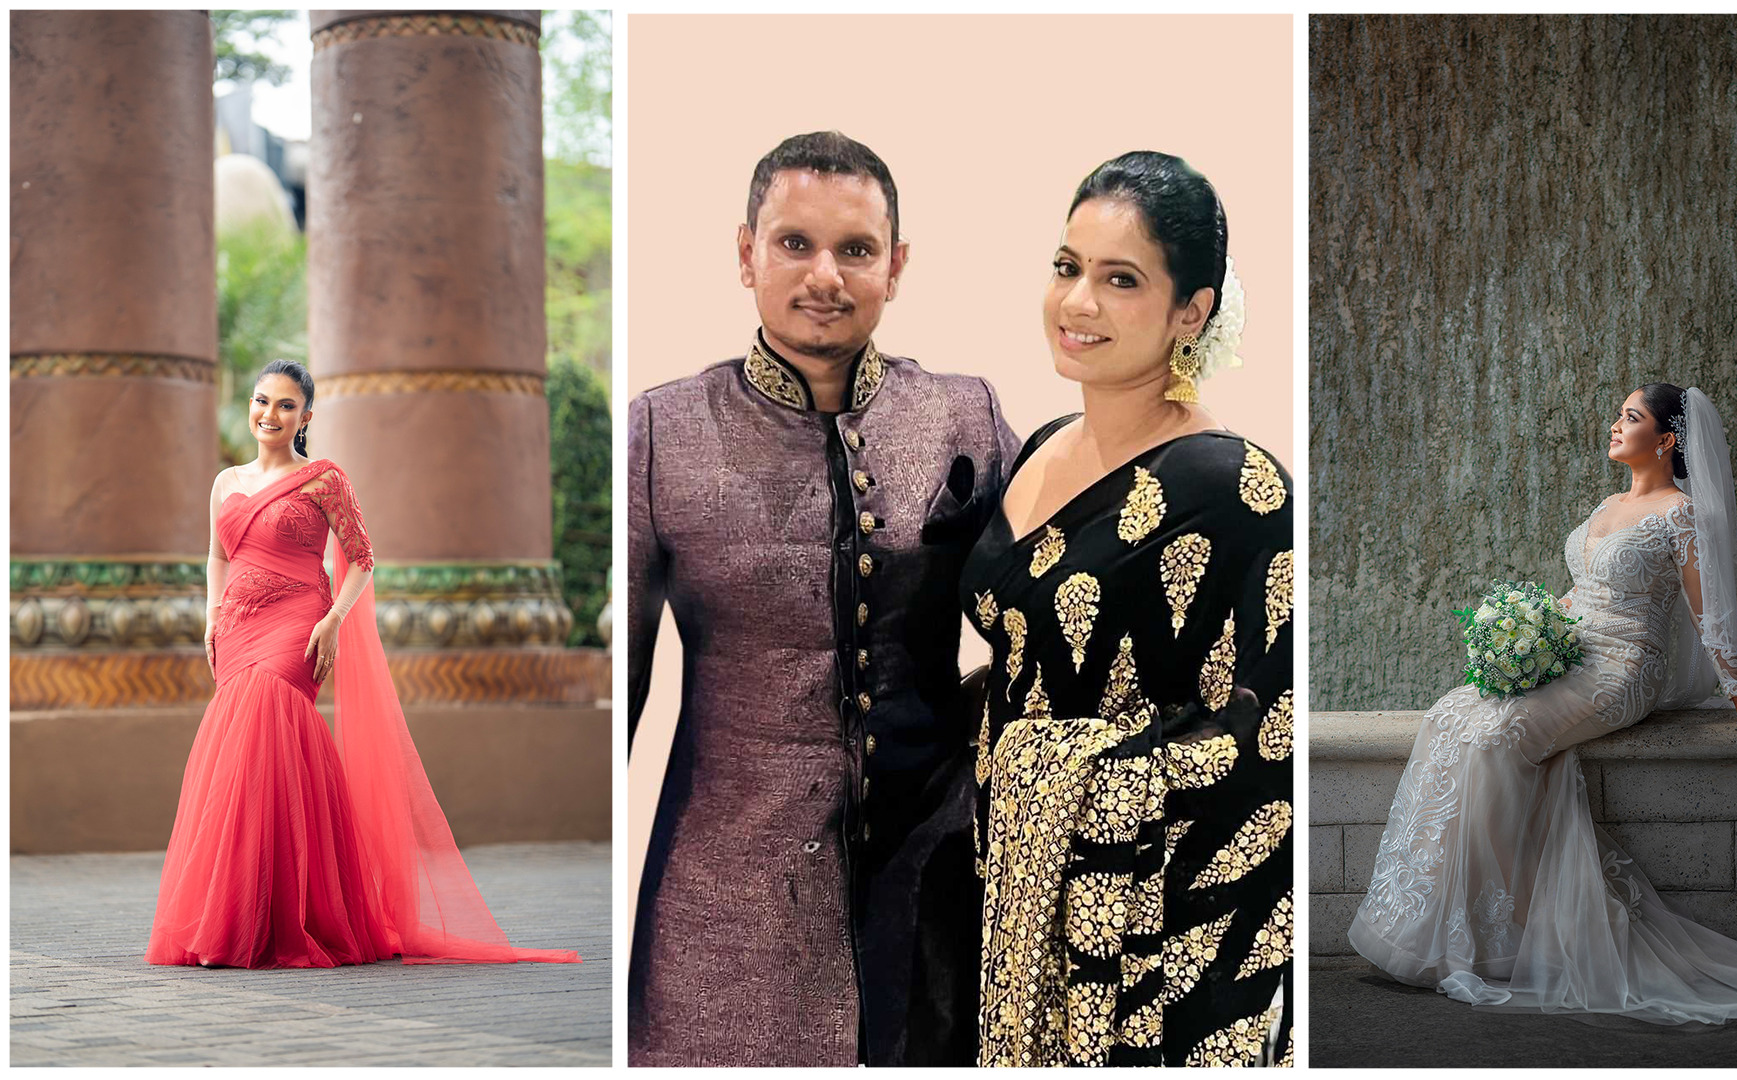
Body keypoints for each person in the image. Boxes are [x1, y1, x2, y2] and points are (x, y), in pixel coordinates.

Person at [628, 131, 1020, 1066]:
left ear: (897, 265)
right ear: (744, 254)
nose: (825, 276)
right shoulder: (661, 431)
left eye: (856, 250)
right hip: (724, 883)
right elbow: (627, 685)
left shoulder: (963, 412)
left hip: (935, 865)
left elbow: (1043, 613)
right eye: (794, 244)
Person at [1350, 383, 1737, 1022]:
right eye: (1618, 415)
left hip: (1621, 668)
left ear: (1667, 440)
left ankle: (1509, 927)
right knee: (1451, 714)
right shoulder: (1608, 503)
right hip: (1569, 651)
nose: (1615, 425)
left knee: (1498, 736)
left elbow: (1711, 611)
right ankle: (1433, 914)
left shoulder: (1682, 514)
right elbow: (1581, 591)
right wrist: (1523, 632)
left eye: (1631, 417)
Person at [962, 152, 1293, 1066]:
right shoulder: (1035, 450)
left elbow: (1272, 736)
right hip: (1005, 897)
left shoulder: (1236, 486)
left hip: (1138, 946)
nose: (1078, 303)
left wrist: (1083, 777)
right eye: (1068, 267)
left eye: (1121, 279)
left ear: (1193, 309)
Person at [147, 359, 577, 969]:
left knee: (264, 716)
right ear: (250, 404)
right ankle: (241, 916)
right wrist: (212, 615)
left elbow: (363, 559)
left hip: (300, 619)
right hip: (238, 626)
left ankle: (265, 921)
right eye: (262, 401)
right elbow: (216, 555)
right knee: (245, 755)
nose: (270, 414)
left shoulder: (323, 479)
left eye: (286, 405)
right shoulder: (226, 482)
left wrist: (332, 620)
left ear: (306, 417)